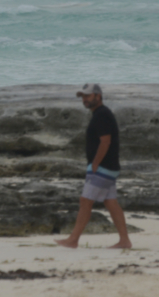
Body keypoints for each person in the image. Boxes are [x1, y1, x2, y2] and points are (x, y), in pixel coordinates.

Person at [56, 84, 132, 250]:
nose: (85, 99)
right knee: (111, 203)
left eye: (88, 96)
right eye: (83, 96)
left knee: (85, 201)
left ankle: (73, 240)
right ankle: (125, 241)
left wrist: (95, 164)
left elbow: (106, 141)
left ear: (98, 96)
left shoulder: (102, 115)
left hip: (102, 167)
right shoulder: (99, 114)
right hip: (108, 167)